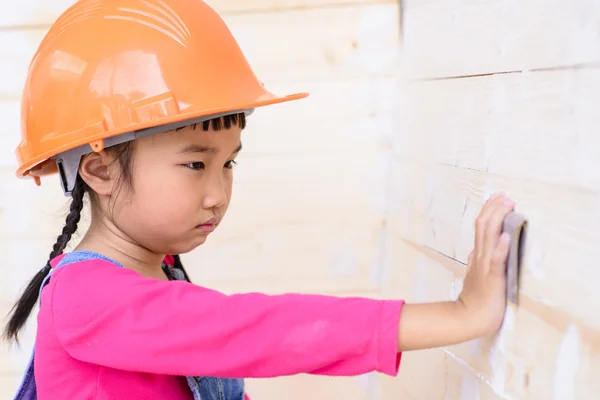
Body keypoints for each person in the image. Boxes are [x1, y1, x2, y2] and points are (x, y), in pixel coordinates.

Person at [4, 0, 515, 399]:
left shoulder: (154, 277)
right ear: (99, 170)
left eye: (228, 163)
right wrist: (460, 313)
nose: (218, 193)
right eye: (195, 164)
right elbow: (261, 331)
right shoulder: (86, 297)